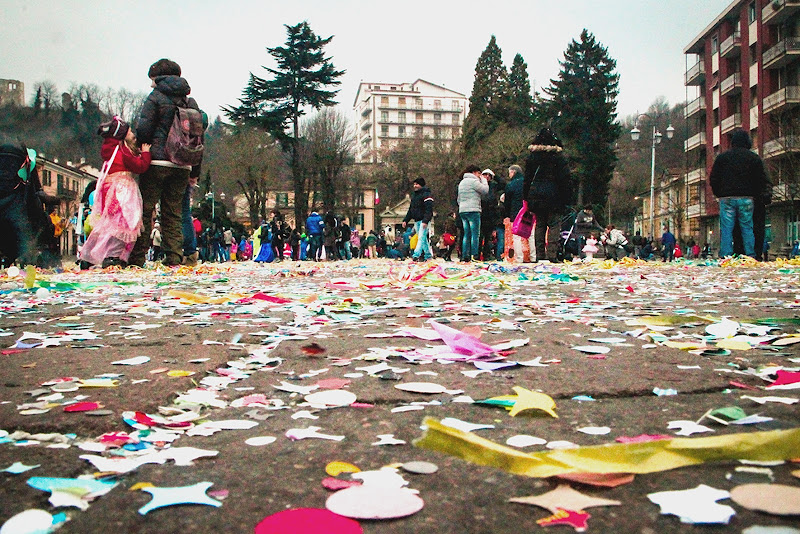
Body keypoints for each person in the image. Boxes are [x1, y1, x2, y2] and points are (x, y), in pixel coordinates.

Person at [128, 58, 204, 267]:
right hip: (183, 164)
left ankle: (137, 257)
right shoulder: (191, 102)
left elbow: (144, 129)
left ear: (158, 77)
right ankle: (174, 257)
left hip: (157, 162)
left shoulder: (155, 98)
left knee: (146, 210)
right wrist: (194, 170)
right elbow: (198, 138)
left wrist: (142, 150)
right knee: (173, 213)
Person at [80, 117, 150, 268]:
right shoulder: (122, 151)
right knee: (124, 223)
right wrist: (145, 154)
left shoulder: (110, 149)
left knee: (110, 224)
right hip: (121, 191)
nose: (132, 134)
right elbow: (139, 167)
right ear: (121, 135)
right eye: (129, 131)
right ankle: (113, 255)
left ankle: (92, 255)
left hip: (109, 190)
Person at [709, 129, 771, 258]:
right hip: (747, 197)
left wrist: (719, 193)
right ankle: (750, 255)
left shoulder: (722, 158)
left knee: (727, 228)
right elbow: (760, 178)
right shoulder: (754, 158)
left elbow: (714, 178)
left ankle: (726, 255)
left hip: (726, 198)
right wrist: (757, 194)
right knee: (747, 227)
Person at [524, 128, 572, 262]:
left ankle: (539, 254)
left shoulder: (532, 158)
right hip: (554, 195)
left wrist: (526, 197)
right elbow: (566, 180)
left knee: (540, 225)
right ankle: (552, 254)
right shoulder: (559, 158)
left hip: (536, 196)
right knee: (554, 225)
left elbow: (527, 179)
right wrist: (567, 198)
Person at [457, 164, 489, 261]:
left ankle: (465, 255)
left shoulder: (461, 183)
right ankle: (474, 255)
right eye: (479, 173)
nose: (480, 175)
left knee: (466, 234)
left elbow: (458, 199)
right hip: (473, 210)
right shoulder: (473, 182)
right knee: (475, 234)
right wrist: (484, 180)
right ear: (474, 172)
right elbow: (485, 190)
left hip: (463, 210)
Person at [502, 164, 533, 262]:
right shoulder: (528, 183)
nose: (509, 175)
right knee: (531, 235)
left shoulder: (511, 185)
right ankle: (533, 257)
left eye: (510, 173)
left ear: (513, 172)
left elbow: (507, 202)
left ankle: (519, 258)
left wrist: (507, 214)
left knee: (516, 236)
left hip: (515, 212)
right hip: (528, 211)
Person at [403, 177, 435, 262]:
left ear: (421, 185)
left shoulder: (427, 195)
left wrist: (425, 220)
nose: (415, 186)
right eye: (414, 184)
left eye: (416, 184)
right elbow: (411, 210)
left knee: (421, 237)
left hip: (423, 220)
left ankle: (416, 255)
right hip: (417, 220)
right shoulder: (415, 196)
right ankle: (428, 255)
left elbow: (429, 209)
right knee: (423, 239)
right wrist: (406, 220)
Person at [479, 169, 504, 261]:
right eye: (485, 175)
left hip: (491, 214)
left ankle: (486, 255)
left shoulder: (493, 186)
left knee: (488, 237)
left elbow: (503, 184)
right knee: (479, 236)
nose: (487, 177)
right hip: (481, 213)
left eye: (489, 175)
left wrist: (495, 176)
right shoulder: (479, 185)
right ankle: (477, 254)